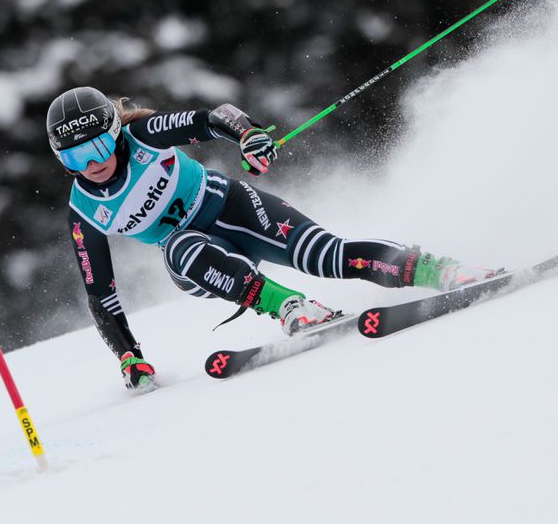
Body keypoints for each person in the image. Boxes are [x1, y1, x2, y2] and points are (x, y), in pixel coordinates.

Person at [49, 87, 496, 390]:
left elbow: (214, 117)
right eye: (74, 156)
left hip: (234, 206)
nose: (91, 163)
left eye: (98, 147)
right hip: (198, 261)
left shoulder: (143, 135)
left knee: (327, 255)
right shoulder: (84, 211)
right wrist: (130, 357)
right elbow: (101, 295)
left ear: (113, 133)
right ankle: (290, 306)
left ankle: (440, 270)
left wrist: (249, 135)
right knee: (181, 246)